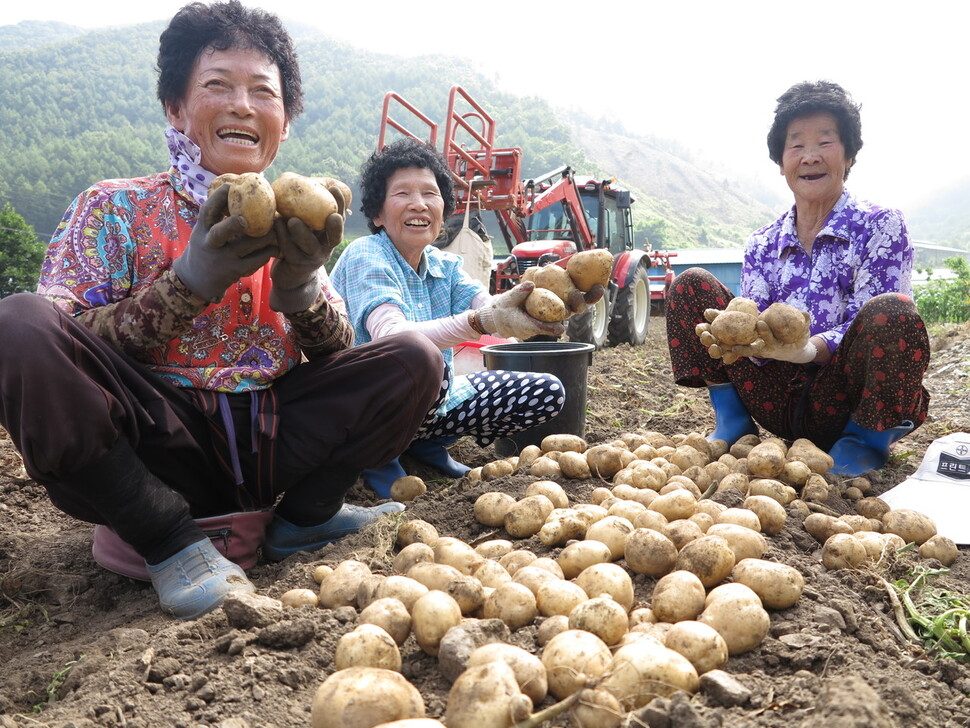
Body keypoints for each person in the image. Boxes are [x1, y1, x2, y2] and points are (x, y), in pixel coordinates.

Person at [0, 1, 445, 620]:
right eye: (217, 86)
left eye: (264, 92)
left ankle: (303, 518)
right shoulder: (112, 209)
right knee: (15, 324)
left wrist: (300, 289)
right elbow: (61, 342)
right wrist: (185, 284)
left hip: (272, 441)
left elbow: (343, 359)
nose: (242, 105)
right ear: (176, 108)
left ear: (283, 122)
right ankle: (166, 540)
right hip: (156, 444)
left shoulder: (301, 221)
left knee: (414, 359)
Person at [665, 80, 930, 477]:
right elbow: (750, 320)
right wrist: (746, 341)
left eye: (825, 142)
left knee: (893, 312)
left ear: (849, 155)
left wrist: (810, 349)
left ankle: (864, 442)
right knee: (690, 285)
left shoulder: (880, 226)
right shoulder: (762, 243)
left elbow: (871, 318)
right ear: (781, 161)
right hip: (775, 400)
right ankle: (734, 424)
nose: (809, 157)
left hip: (845, 400)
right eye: (796, 145)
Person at [330, 137, 603, 496]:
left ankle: (423, 444)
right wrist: (480, 322)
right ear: (378, 213)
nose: (418, 204)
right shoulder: (367, 255)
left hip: (425, 403)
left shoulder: (445, 265)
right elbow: (391, 337)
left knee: (546, 392)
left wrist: (548, 302)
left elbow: (490, 305)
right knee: (418, 356)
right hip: (362, 409)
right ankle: (377, 458)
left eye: (430, 193)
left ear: (444, 210)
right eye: (402, 194)